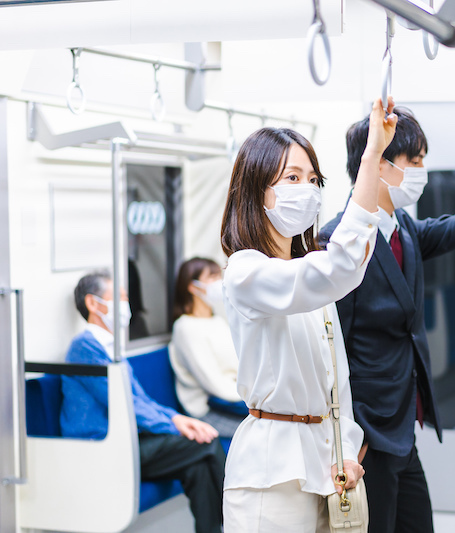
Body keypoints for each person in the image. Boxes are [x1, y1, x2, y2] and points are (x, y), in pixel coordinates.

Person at [318, 83, 455, 533]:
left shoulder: (405, 229)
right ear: (381, 164)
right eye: (416, 161)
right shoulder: (339, 241)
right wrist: (346, 440)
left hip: (404, 422)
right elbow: (332, 352)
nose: (425, 171)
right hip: (367, 429)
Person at [219, 97, 398, 531]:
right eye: (292, 177)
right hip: (270, 473)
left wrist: (349, 450)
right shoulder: (246, 272)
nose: (308, 189)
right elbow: (339, 268)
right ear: (255, 190)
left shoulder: (308, 274)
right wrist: (372, 155)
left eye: (314, 179)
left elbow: (338, 380)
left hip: (328, 466)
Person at [60, 270, 225, 533]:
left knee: (199, 465)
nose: (126, 305)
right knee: (206, 443)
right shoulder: (85, 347)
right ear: (93, 304)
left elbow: (140, 399)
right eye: (121, 297)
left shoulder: (111, 347)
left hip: (128, 441)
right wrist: (176, 426)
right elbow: (127, 406)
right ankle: (237, 522)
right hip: (101, 449)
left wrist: (177, 418)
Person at [170, 257, 245, 438]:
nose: (218, 283)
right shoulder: (185, 327)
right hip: (209, 409)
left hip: (232, 400)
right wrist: (250, 398)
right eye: (211, 278)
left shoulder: (217, 320)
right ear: (192, 286)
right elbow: (212, 382)